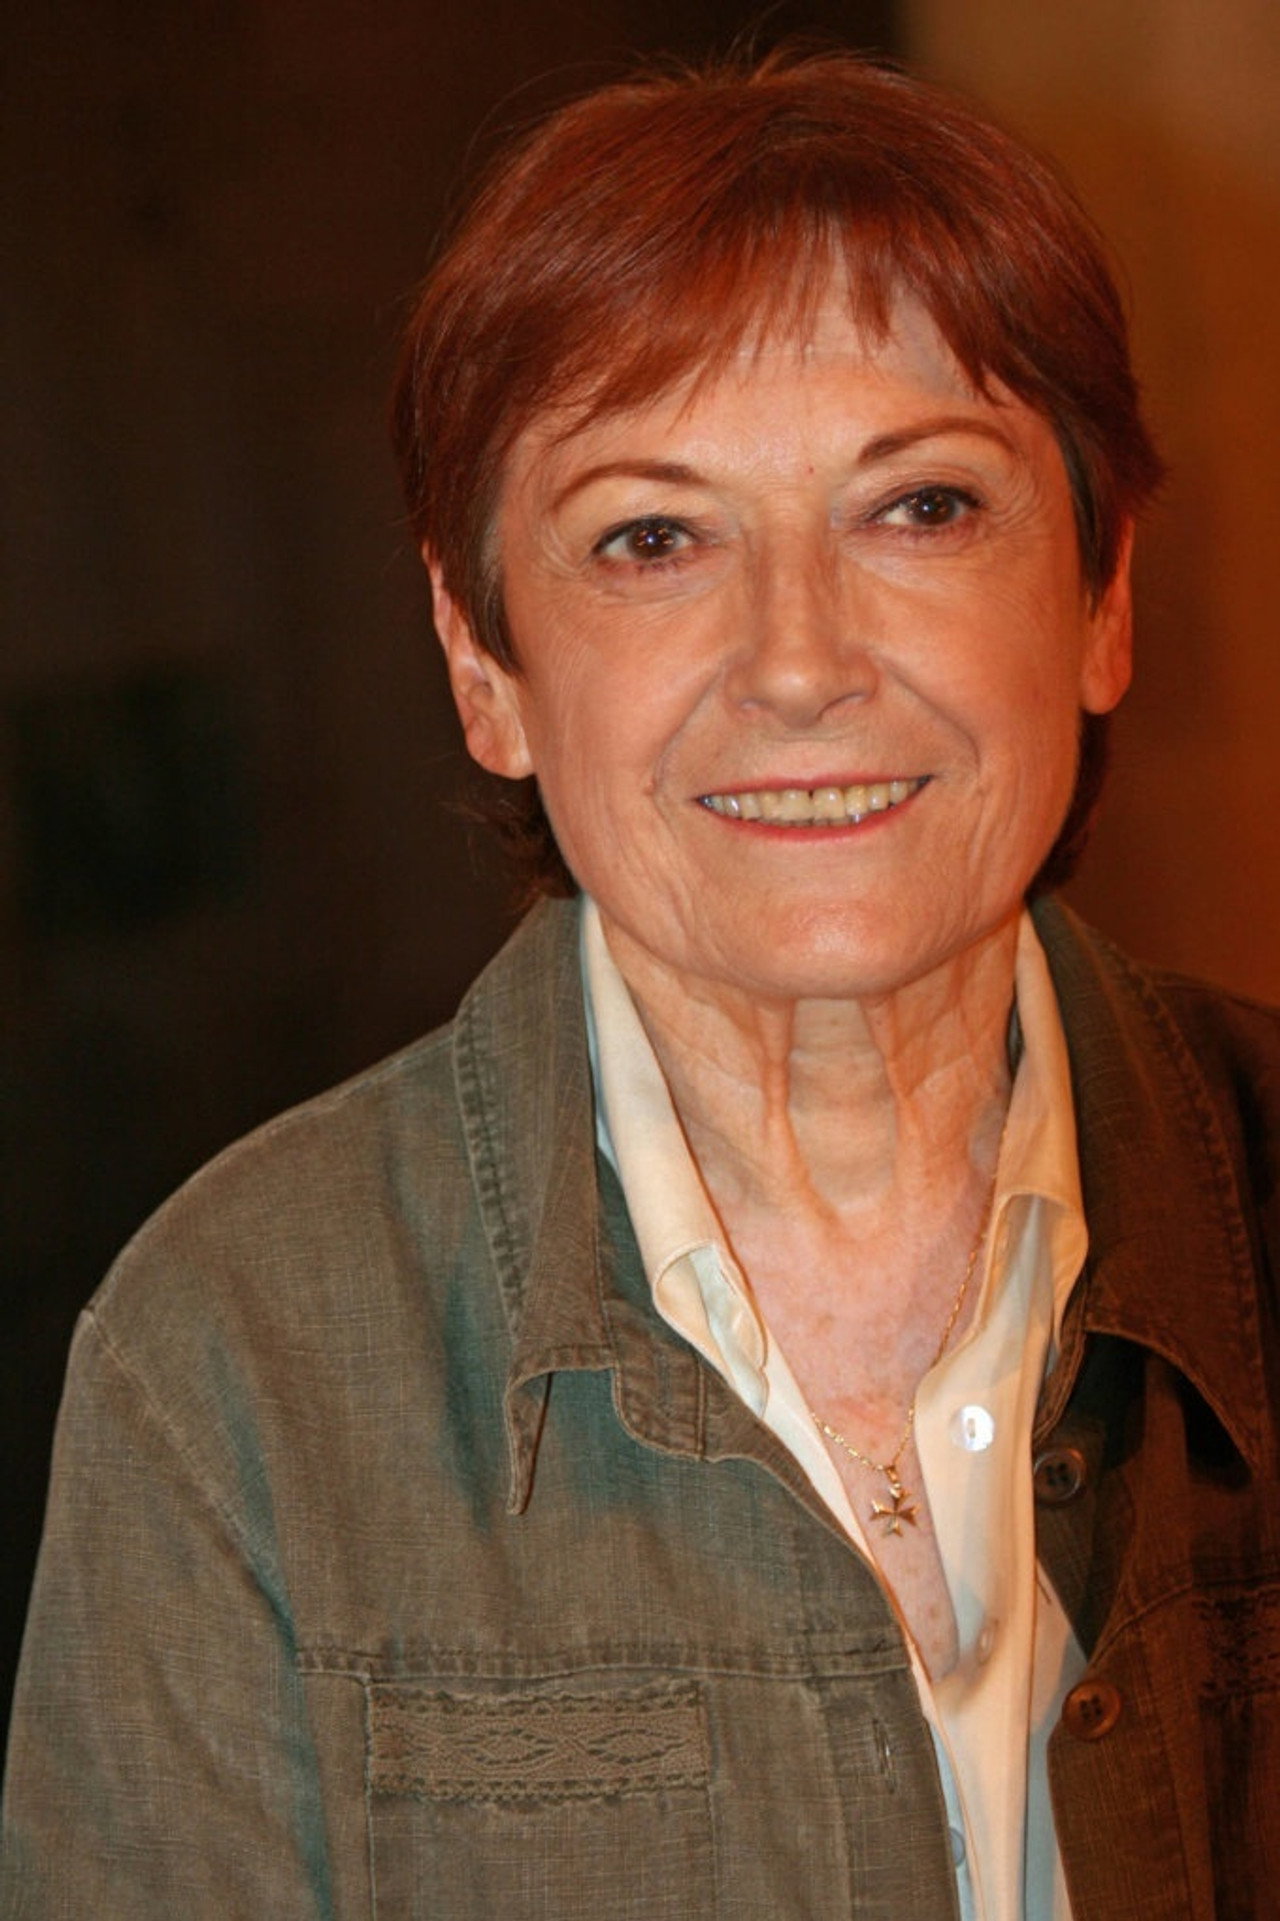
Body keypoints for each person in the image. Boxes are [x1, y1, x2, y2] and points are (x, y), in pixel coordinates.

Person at [3, 48, 1278, 1921]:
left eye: (920, 506)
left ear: (1102, 597)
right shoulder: (228, 1367)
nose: (800, 660)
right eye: (653, 537)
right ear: (484, 664)